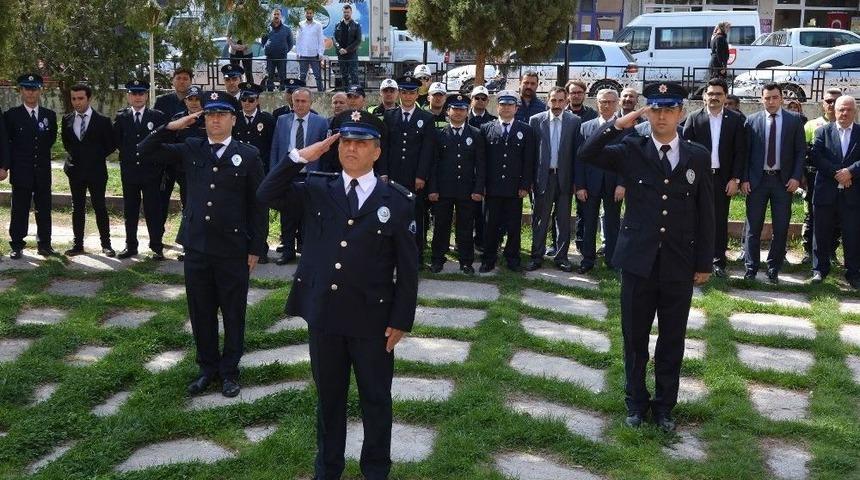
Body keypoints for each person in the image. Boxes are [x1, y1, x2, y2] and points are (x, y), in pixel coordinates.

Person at [256, 110, 418, 480]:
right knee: (329, 400)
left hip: (372, 321)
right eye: (346, 141)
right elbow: (266, 192)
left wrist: (401, 319)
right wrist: (300, 156)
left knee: (375, 400)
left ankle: (375, 470)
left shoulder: (397, 200)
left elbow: (408, 269)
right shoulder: (318, 188)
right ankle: (327, 469)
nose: (351, 148)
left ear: (376, 151)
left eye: (361, 142)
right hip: (325, 316)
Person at [579, 82, 714, 433]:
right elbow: (587, 153)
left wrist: (703, 263)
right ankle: (636, 403)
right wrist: (619, 124)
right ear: (646, 112)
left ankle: (665, 406)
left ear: (681, 113)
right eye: (656, 109)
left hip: (678, 263)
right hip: (638, 261)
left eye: (669, 109)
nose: (662, 116)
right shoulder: (631, 148)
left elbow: (706, 211)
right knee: (635, 337)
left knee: (672, 338)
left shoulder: (697, 154)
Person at [138, 91, 267, 398]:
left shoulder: (248, 155)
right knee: (201, 311)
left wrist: (256, 248)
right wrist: (171, 127)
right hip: (197, 246)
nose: (215, 120)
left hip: (233, 248)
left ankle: (230, 371)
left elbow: (258, 205)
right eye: (210, 115)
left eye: (221, 114)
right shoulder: (192, 147)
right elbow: (144, 150)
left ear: (233, 119)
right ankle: (207, 368)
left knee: (233, 312)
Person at [682, 78, 747, 278]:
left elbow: (740, 152)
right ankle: (694, 258)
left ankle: (718, 261)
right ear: (704, 96)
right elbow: (685, 150)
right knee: (693, 218)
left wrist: (735, 179)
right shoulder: (694, 118)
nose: (714, 97)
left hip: (722, 179)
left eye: (718, 94)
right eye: (710, 94)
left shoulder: (735, 120)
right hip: (698, 178)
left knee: (718, 220)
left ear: (725, 96)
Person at [741, 83, 806, 284]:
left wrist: (796, 177)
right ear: (762, 99)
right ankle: (751, 268)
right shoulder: (752, 121)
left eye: (775, 97)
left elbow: (800, 152)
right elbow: (745, 153)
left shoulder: (794, 120)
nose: (771, 101)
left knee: (781, 227)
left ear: (781, 99)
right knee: (753, 227)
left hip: (782, 181)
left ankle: (773, 268)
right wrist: (744, 178)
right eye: (767, 98)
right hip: (757, 181)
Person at [378, 75, 437, 267]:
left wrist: (421, 175)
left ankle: (416, 257)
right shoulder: (390, 116)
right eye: (404, 92)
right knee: (392, 215)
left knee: (415, 217)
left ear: (417, 95)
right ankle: (391, 255)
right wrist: (383, 172)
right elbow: (384, 147)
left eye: (411, 93)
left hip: (414, 178)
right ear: (399, 94)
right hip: (393, 176)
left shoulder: (426, 118)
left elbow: (427, 150)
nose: (408, 96)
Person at [270, 86, 330, 265]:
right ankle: (287, 250)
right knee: (287, 215)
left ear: (311, 102)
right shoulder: (282, 120)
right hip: (288, 176)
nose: (300, 104)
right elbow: (276, 147)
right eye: (296, 101)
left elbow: (324, 152)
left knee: (308, 214)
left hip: (310, 175)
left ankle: (305, 251)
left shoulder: (321, 122)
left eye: (304, 101)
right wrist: (274, 174)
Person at [428, 94, 486, 274]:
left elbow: (481, 164)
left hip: (467, 190)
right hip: (443, 189)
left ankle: (466, 261)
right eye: (455, 109)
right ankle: (438, 259)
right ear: (448, 111)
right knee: (441, 226)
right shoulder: (439, 134)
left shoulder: (476, 134)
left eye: (462, 109)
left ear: (467, 112)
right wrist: (433, 189)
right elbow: (433, 164)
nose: (459, 112)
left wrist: (478, 189)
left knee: (466, 227)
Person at [527, 86, 581, 272]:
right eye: (553, 100)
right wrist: (530, 179)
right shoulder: (536, 120)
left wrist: (577, 181)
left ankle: (561, 257)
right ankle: (536, 256)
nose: (557, 104)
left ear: (566, 101)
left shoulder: (574, 121)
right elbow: (531, 153)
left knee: (563, 220)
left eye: (560, 100)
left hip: (565, 178)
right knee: (540, 219)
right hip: (543, 177)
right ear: (547, 101)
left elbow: (577, 154)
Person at [479, 90, 534, 273]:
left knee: (513, 225)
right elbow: (482, 161)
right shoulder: (486, 128)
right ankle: (488, 259)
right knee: (490, 225)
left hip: (514, 187)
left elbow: (528, 161)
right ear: (497, 107)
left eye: (510, 105)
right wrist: (482, 185)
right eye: (503, 104)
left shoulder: (525, 130)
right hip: (492, 187)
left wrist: (525, 185)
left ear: (516, 108)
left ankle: (513, 258)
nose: (506, 108)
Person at [113, 80, 168, 260]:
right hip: (130, 172)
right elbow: (118, 141)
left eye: (141, 93)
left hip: (151, 172)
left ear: (146, 96)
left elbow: (162, 141)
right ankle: (131, 246)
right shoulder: (122, 117)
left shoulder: (157, 116)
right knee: (130, 210)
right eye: (134, 93)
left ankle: (157, 247)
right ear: (128, 96)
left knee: (153, 210)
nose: (138, 97)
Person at [61, 83, 117, 257]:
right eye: (73, 99)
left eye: (80, 98)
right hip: (75, 171)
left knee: (99, 207)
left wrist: (93, 156)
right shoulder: (67, 119)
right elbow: (67, 143)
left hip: (96, 171)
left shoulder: (103, 121)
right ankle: (78, 245)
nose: (77, 102)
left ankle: (106, 244)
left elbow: (110, 144)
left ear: (89, 98)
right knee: (77, 208)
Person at [810, 95, 860, 288]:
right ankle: (819, 270)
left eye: (848, 109)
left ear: (855, 111)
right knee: (821, 233)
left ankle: (853, 273)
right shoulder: (822, 131)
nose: (844, 113)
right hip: (826, 192)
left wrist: (851, 172)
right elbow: (816, 156)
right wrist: (838, 174)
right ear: (834, 111)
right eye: (841, 109)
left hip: (853, 193)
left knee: (853, 234)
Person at [576, 88, 627, 273]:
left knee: (612, 223)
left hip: (614, 184)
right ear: (597, 104)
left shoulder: (624, 127)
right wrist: (580, 185)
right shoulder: (585, 127)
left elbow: (627, 158)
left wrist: (622, 183)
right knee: (588, 222)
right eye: (603, 102)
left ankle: (612, 260)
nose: (606, 105)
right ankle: (588, 259)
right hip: (590, 183)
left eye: (611, 102)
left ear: (617, 104)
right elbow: (579, 158)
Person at [6, 74, 56, 259]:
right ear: (21, 90)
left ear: (40, 90)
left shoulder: (49, 115)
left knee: (44, 209)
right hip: (21, 170)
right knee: (19, 209)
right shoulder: (11, 115)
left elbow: (50, 140)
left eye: (34, 89)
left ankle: (44, 244)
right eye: (27, 88)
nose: (30, 92)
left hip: (42, 170)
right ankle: (17, 244)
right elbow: (7, 143)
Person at [233, 83, 276, 264]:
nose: (247, 103)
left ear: (257, 101)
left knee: (260, 212)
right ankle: (241, 247)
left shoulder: (267, 120)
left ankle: (260, 249)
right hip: (238, 173)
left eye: (251, 99)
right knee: (239, 210)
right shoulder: (234, 118)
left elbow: (273, 146)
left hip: (260, 173)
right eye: (244, 99)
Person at [802, 88, 843, 264]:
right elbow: (802, 153)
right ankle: (808, 252)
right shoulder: (811, 125)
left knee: (837, 216)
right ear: (822, 104)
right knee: (812, 215)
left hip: (839, 178)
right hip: (815, 178)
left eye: (836, 101)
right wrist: (802, 176)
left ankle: (831, 252)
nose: (832, 104)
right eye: (828, 101)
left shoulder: (847, 126)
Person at [467, 85, 497, 251]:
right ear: (471, 99)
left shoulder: (493, 121)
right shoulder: (463, 117)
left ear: (487, 101)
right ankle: (463, 241)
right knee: (466, 209)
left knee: (483, 209)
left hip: (484, 170)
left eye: (483, 98)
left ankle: (481, 240)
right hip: (465, 169)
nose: (479, 101)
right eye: (476, 98)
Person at [262, 8, 294, 92]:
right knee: (269, 76)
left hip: (282, 57)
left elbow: (291, 43)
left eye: (278, 14)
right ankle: (269, 93)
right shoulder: (267, 28)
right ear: (272, 16)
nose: (276, 16)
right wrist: (267, 48)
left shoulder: (287, 29)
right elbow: (263, 41)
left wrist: (284, 50)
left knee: (282, 76)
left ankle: (282, 92)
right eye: (274, 14)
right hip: (270, 57)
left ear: (281, 16)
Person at [296, 7, 326, 92]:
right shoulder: (300, 24)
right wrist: (298, 53)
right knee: (302, 76)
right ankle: (301, 93)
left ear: (313, 14)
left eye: (310, 13)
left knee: (318, 76)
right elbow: (298, 39)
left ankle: (321, 93)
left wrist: (321, 53)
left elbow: (321, 39)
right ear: (305, 14)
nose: (309, 14)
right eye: (307, 13)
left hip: (315, 55)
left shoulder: (318, 25)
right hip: (303, 55)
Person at [334, 4, 361, 88]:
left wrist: (347, 50)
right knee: (344, 75)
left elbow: (358, 40)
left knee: (354, 74)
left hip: (352, 54)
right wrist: (339, 49)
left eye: (348, 12)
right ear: (343, 12)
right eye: (344, 12)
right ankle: (346, 92)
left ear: (351, 12)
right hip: (341, 54)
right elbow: (334, 39)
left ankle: (356, 92)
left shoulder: (356, 25)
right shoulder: (337, 25)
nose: (346, 14)